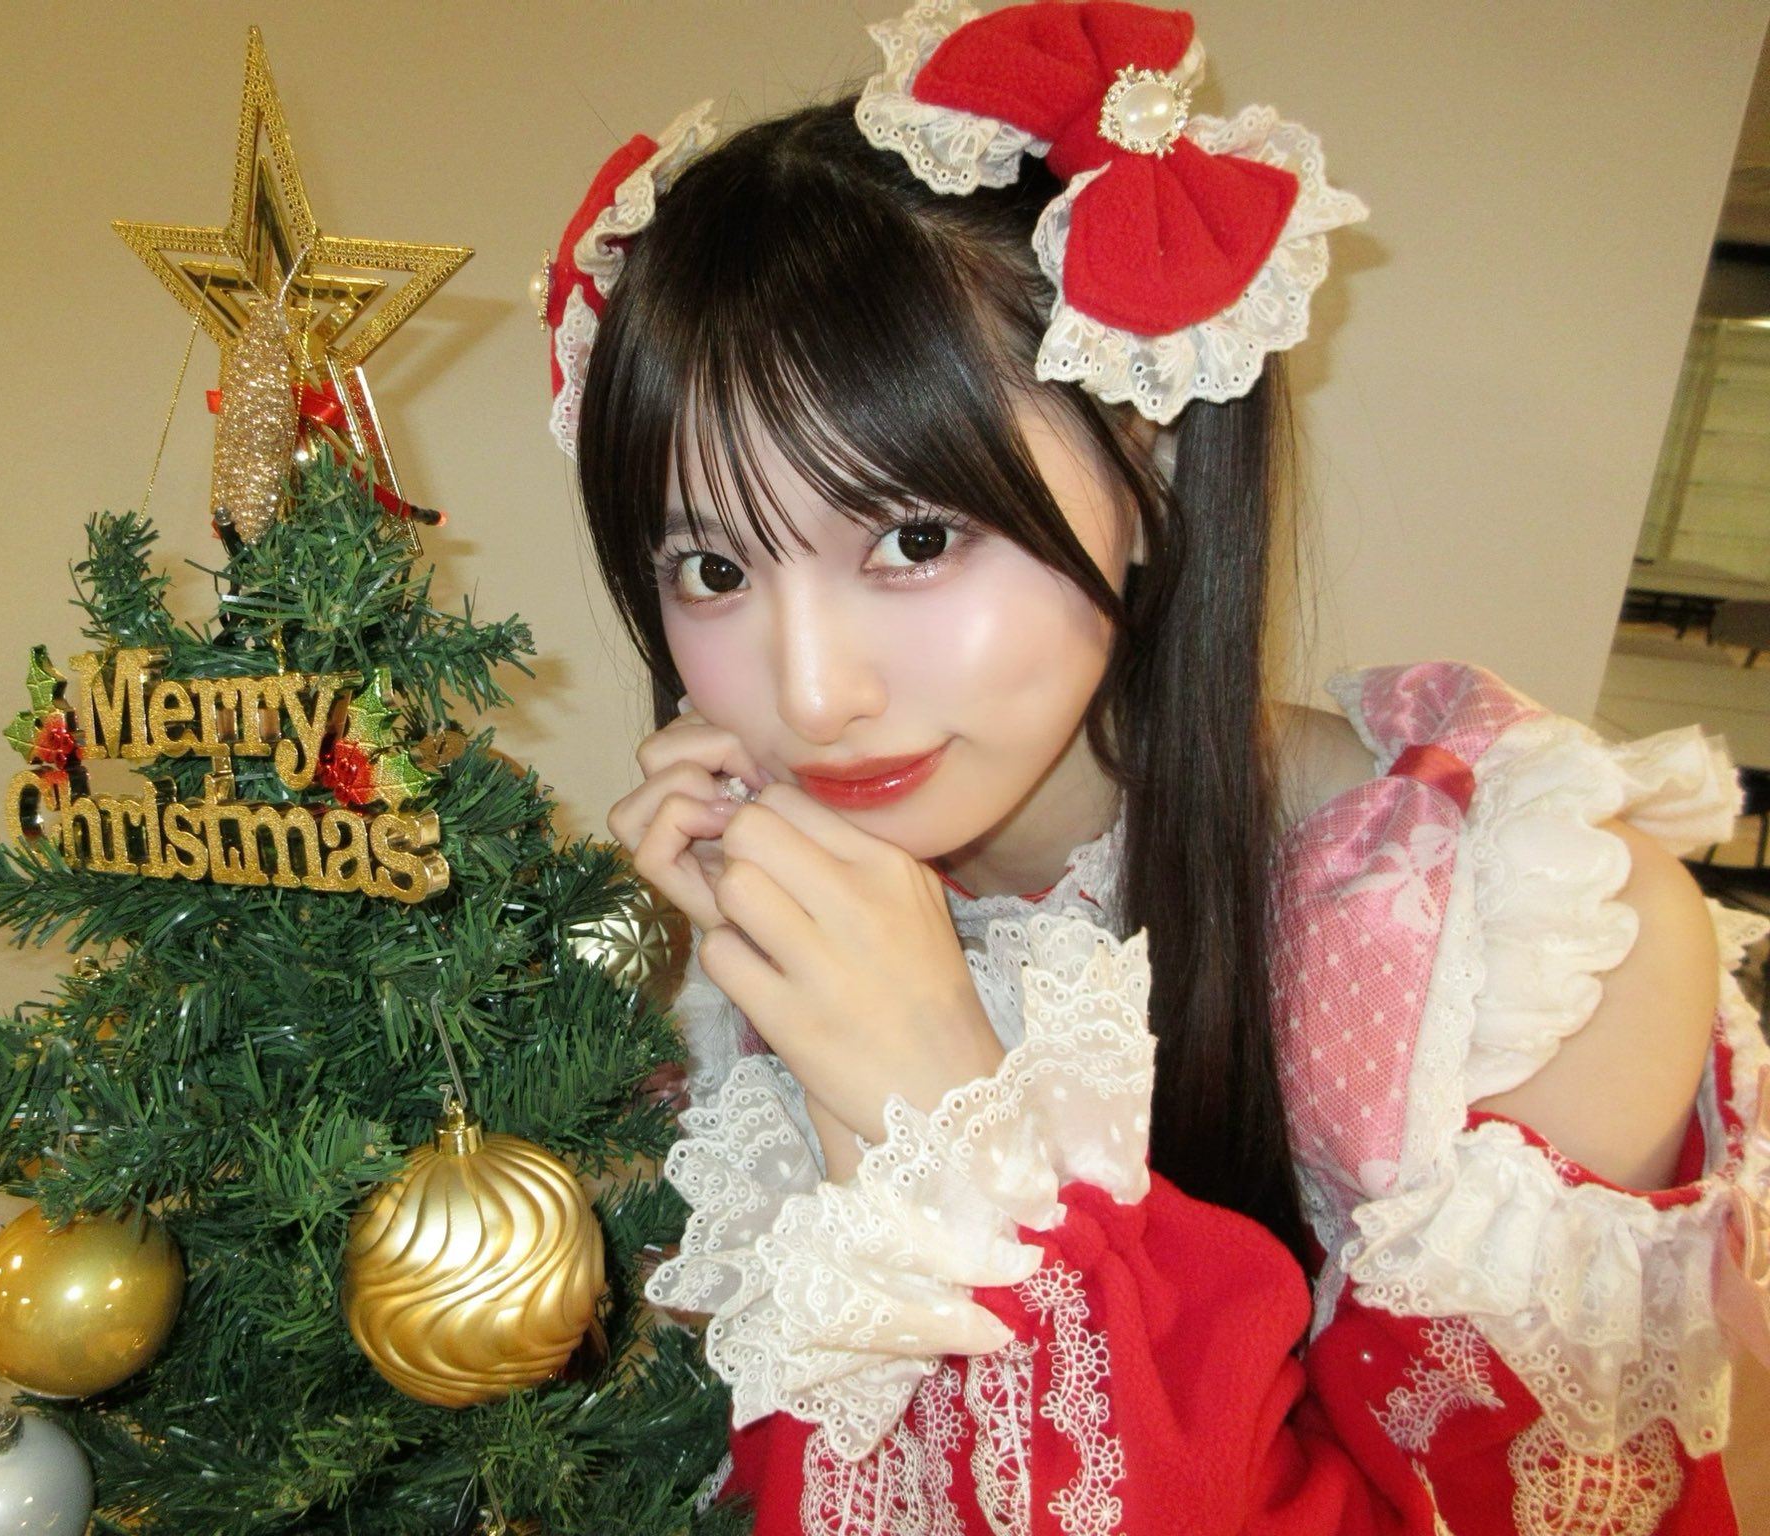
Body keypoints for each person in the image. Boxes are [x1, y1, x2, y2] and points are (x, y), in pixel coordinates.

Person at [541, 2, 1770, 1531]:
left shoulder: (1510, 954)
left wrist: (961, 1135)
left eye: (913, 538)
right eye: (714, 569)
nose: (813, 696)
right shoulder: (734, 912)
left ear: (1154, 465)